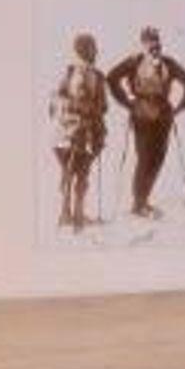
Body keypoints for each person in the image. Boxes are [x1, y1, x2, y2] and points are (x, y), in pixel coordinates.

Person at [107, 25, 185, 219]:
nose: (154, 45)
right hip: (141, 115)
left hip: (163, 116)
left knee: (158, 159)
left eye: (156, 41)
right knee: (144, 158)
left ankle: (144, 200)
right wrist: (127, 102)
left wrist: (179, 108)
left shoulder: (168, 63)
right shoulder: (134, 61)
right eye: (149, 41)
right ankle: (138, 203)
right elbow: (112, 78)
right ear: (143, 44)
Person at [47, 32, 107, 231]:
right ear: (82, 51)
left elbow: (103, 105)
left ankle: (78, 214)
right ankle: (67, 214)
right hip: (68, 132)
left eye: (94, 48)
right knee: (70, 172)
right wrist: (73, 108)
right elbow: (55, 101)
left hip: (88, 132)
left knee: (82, 173)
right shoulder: (69, 73)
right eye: (91, 49)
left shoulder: (98, 76)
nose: (95, 52)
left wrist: (94, 111)